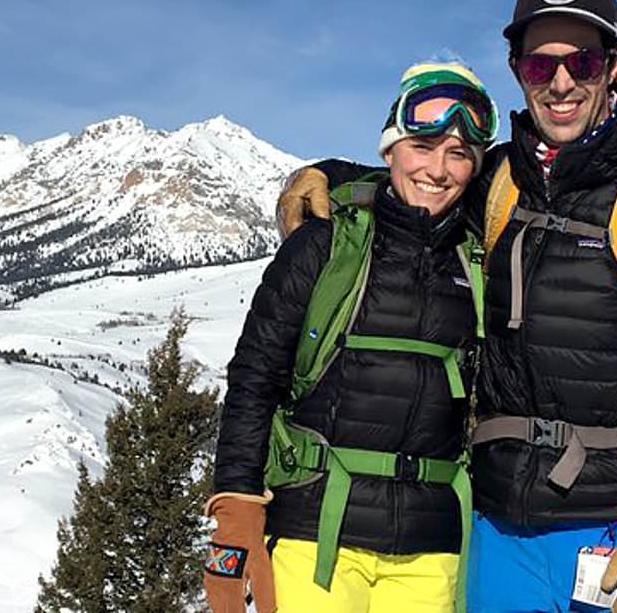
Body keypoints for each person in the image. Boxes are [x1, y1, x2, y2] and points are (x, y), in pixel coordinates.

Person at [279, 0, 617, 613]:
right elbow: (424, 179)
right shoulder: (504, 178)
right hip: (502, 531)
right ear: (517, 69)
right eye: (538, 65)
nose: (561, 83)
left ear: (614, 65)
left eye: (582, 61)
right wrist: (327, 174)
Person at [204, 62, 498, 613]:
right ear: (390, 149)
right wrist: (235, 511)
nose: (437, 169)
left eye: (459, 154)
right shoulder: (323, 245)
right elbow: (255, 376)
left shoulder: (478, 257)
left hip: (431, 546)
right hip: (316, 533)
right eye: (421, 146)